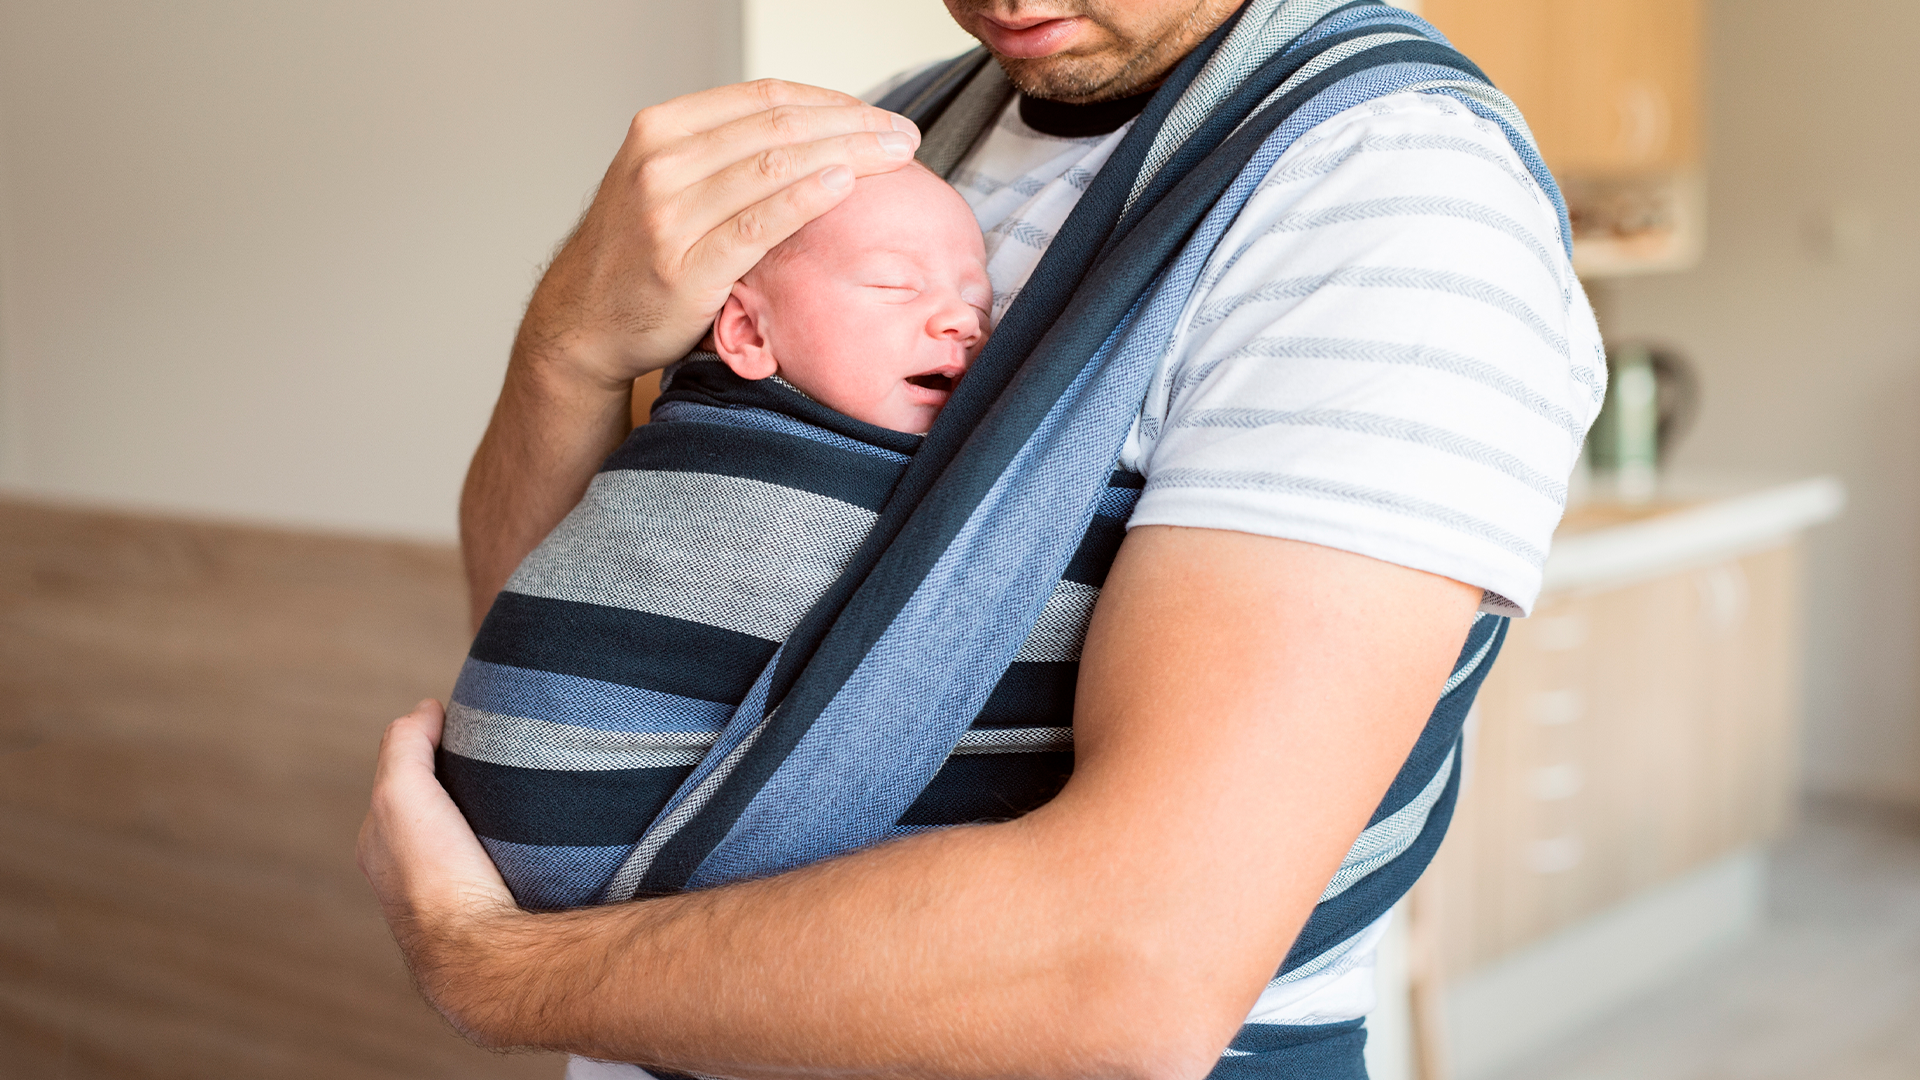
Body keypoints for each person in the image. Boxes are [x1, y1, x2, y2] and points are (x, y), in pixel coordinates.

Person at [359, 2, 1604, 1077]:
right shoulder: (891, 136)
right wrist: (571, 339)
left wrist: (495, 971)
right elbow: (574, 620)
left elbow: (1133, 968)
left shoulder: (1388, 201)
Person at [440, 162, 1070, 914]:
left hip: (572, 861)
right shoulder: (738, 465)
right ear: (743, 332)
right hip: (617, 832)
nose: (963, 320)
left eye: (978, 298)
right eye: (894, 286)